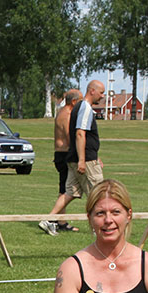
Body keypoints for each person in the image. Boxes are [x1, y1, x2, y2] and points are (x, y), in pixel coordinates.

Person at [42, 80, 106, 238]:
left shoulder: (76, 108)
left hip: (73, 158)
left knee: (69, 192)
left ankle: (48, 220)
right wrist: (83, 160)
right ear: (92, 91)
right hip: (84, 159)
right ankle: (98, 228)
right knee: (98, 193)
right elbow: (80, 133)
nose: (103, 96)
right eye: (101, 92)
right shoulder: (84, 107)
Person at [39, 88, 82, 236]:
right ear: (74, 101)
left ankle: (61, 222)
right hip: (65, 155)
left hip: (60, 154)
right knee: (69, 191)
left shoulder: (61, 112)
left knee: (63, 189)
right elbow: (71, 137)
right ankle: (50, 220)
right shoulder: (67, 115)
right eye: (80, 101)